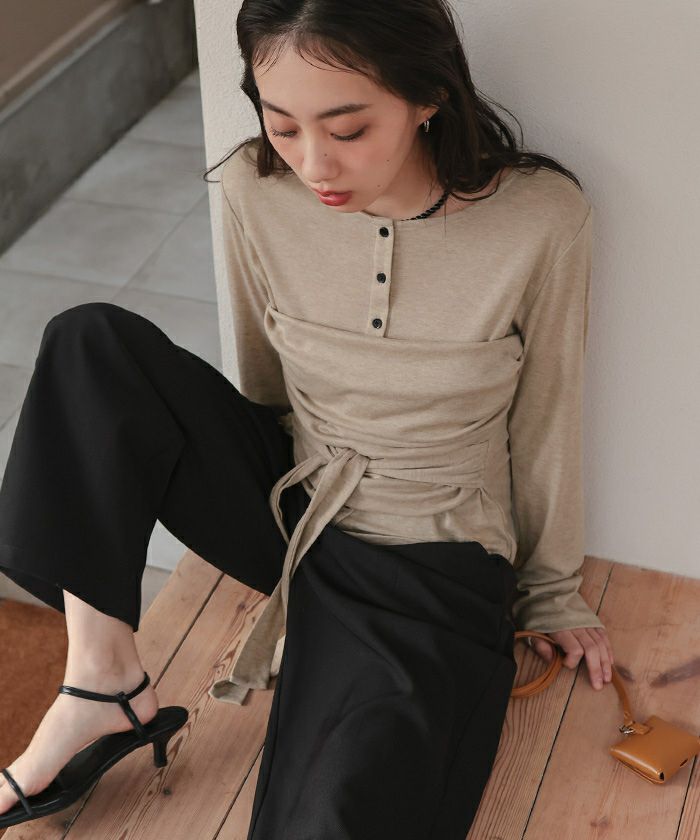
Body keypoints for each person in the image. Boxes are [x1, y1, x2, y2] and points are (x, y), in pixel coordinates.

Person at [0, 0, 615, 835]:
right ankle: (102, 682)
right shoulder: (255, 190)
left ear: (428, 96)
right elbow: (266, 391)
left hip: (433, 560)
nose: (313, 164)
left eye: (348, 128)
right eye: (281, 124)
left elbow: (547, 423)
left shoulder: (542, 219)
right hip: (296, 505)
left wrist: (551, 593)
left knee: (334, 813)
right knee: (90, 344)